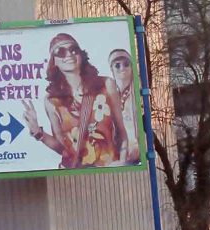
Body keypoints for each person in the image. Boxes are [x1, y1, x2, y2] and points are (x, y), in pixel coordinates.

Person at [21, 33, 128, 168]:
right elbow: (61, 148)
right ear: (54, 61)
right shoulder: (51, 100)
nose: (69, 55)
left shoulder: (106, 85)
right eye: (61, 52)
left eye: (74, 50)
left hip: (107, 168)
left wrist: (122, 161)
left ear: (81, 55)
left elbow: (121, 132)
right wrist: (37, 131)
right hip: (74, 171)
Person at [108, 48, 141, 165]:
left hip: (136, 155)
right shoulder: (109, 95)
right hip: (117, 157)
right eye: (117, 65)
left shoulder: (138, 92)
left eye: (126, 64)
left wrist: (138, 147)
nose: (122, 68)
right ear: (112, 69)